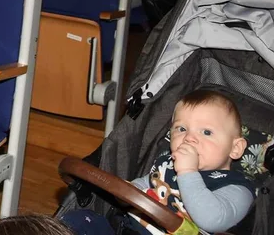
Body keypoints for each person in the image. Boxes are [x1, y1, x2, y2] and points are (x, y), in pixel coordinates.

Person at [61, 89, 254, 235]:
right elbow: (145, 184)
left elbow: (212, 220)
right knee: (74, 221)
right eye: (181, 129)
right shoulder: (167, 163)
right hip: (125, 227)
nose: (189, 138)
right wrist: (128, 189)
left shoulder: (236, 189)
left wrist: (188, 172)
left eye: (206, 132)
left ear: (235, 148)